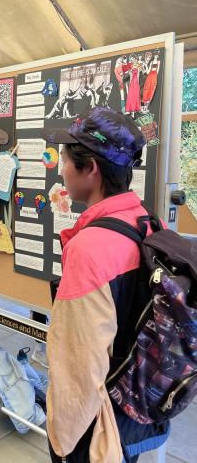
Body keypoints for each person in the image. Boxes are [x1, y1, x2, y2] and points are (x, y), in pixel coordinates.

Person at [42, 108, 169, 462]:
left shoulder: (90, 248)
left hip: (97, 428)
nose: (62, 169)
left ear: (92, 169)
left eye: (66, 159)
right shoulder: (145, 222)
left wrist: (63, 443)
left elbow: (78, 366)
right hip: (133, 409)